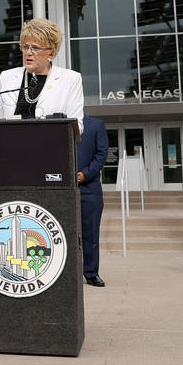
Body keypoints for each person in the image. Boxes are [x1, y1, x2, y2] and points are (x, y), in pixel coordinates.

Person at [77, 115, 109, 287]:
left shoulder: (96, 125)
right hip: (59, 189)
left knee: (90, 235)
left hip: (89, 190)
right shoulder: (55, 123)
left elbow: (102, 153)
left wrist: (86, 174)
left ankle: (91, 273)